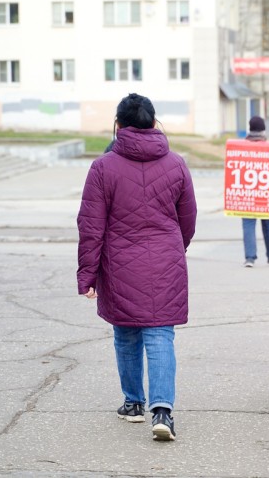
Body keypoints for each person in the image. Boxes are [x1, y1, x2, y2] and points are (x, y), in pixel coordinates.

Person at [77, 93, 197, 442]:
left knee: (127, 332)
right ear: (154, 123)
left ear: (118, 126)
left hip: (120, 265)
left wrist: (87, 274)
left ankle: (133, 404)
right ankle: (163, 412)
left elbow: (90, 226)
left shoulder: (103, 168)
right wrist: (175, 247)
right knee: (160, 334)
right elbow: (187, 219)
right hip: (166, 261)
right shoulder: (176, 163)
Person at [241, 115, 269, 267]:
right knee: (268, 224)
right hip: (266, 193)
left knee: (248, 223)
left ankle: (250, 258)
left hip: (247, 193)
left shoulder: (240, 148)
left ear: (250, 129)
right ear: (263, 130)